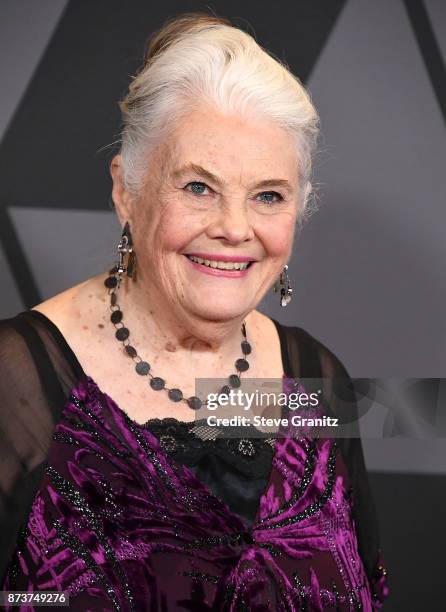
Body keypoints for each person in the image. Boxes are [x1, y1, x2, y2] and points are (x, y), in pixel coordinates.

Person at [0, 12, 389, 611]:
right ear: (126, 191)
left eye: (267, 196)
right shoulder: (13, 381)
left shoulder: (316, 376)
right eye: (198, 187)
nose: (235, 229)